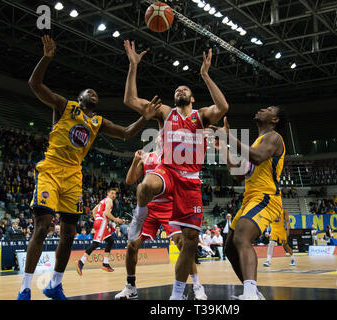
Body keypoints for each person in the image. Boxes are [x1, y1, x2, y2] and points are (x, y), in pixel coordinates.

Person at [16, 35, 161, 301]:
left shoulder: (98, 122)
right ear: (80, 97)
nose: (93, 93)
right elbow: (34, 84)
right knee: (43, 225)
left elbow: (127, 133)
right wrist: (46, 58)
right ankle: (25, 288)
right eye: (88, 92)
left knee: (69, 232)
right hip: (51, 169)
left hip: (73, 175)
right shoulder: (64, 106)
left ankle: (55, 285)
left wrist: (145, 117)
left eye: (96, 93)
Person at [123, 40, 229, 300]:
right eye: (177, 88)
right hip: (168, 171)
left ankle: (178, 294)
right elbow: (130, 99)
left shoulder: (201, 116)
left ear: (192, 98)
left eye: (185, 88)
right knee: (145, 186)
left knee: (190, 242)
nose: (180, 89)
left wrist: (205, 75)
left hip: (190, 181)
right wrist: (133, 66)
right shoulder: (165, 113)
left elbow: (223, 108)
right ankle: (138, 217)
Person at [213, 105, 287, 300]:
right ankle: (254, 292)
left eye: (269, 109)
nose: (262, 109)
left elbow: (258, 156)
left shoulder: (273, 138)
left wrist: (228, 137)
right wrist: (223, 147)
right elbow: (237, 174)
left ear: (275, 120)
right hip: (250, 198)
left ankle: (250, 294)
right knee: (229, 248)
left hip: (266, 196)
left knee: (242, 238)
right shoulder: (255, 143)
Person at [115, 148, 206, 300]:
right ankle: (131, 287)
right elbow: (130, 180)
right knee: (131, 246)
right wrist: (136, 160)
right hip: (149, 208)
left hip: (170, 206)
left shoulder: (175, 154)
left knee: (183, 245)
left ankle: (197, 286)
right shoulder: (147, 156)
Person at [76, 189, 123, 274]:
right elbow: (107, 213)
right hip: (102, 223)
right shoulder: (109, 201)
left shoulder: (102, 201)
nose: (113, 195)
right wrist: (116, 220)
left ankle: (105, 263)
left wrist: (97, 219)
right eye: (112, 193)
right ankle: (81, 262)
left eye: (115, 194)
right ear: (107, 193)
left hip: (99, 222)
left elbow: (94, 211)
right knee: (96, 243)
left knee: (110, 241)